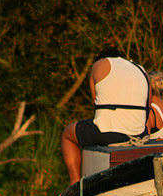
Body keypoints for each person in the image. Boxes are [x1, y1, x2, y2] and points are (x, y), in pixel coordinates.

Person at [60, 47, 151, 184]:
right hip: (139, 134)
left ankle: (74, 183)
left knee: (67, 134)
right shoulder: (141, 70)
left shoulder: (100, 64)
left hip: (108, 132)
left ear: (103, 58)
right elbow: (148, 106)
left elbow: (95, 100)